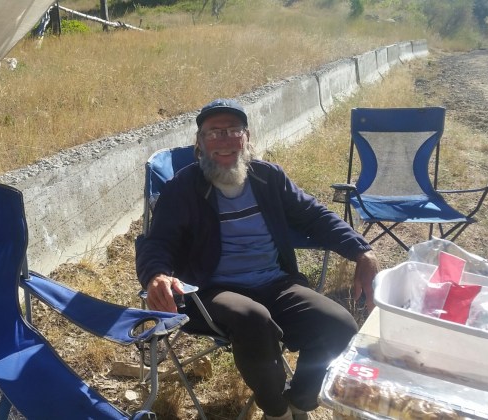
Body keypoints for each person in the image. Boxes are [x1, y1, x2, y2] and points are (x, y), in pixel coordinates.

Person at [136, 98, 380, 420]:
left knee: (339, 325)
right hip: (212, 290)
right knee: (253, 318)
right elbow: (159, 242)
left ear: (247, 137)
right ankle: (276, 411)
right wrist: (156, 274)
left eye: (233, 130)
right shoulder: (183, 187)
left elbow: (314, 216)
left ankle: (301, 402)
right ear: (200, 144)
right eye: (213, 133)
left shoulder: (268, 178)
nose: (224, 140)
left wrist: (362, 251)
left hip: (275, 283)